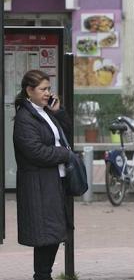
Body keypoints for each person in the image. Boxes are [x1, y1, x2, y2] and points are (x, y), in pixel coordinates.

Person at [13, 69, 73, 280]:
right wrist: (64, 154)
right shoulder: (25, 117)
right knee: (46, 235)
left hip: (53, 181)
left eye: (49, 88)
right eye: (43, 89)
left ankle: (43, 275)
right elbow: (35, 151)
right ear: (29, 91)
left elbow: (65, 136)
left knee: (53, 234)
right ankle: (42, 276)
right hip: (38, 184)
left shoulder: (44, 111)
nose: (48, 93)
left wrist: (58, 112)